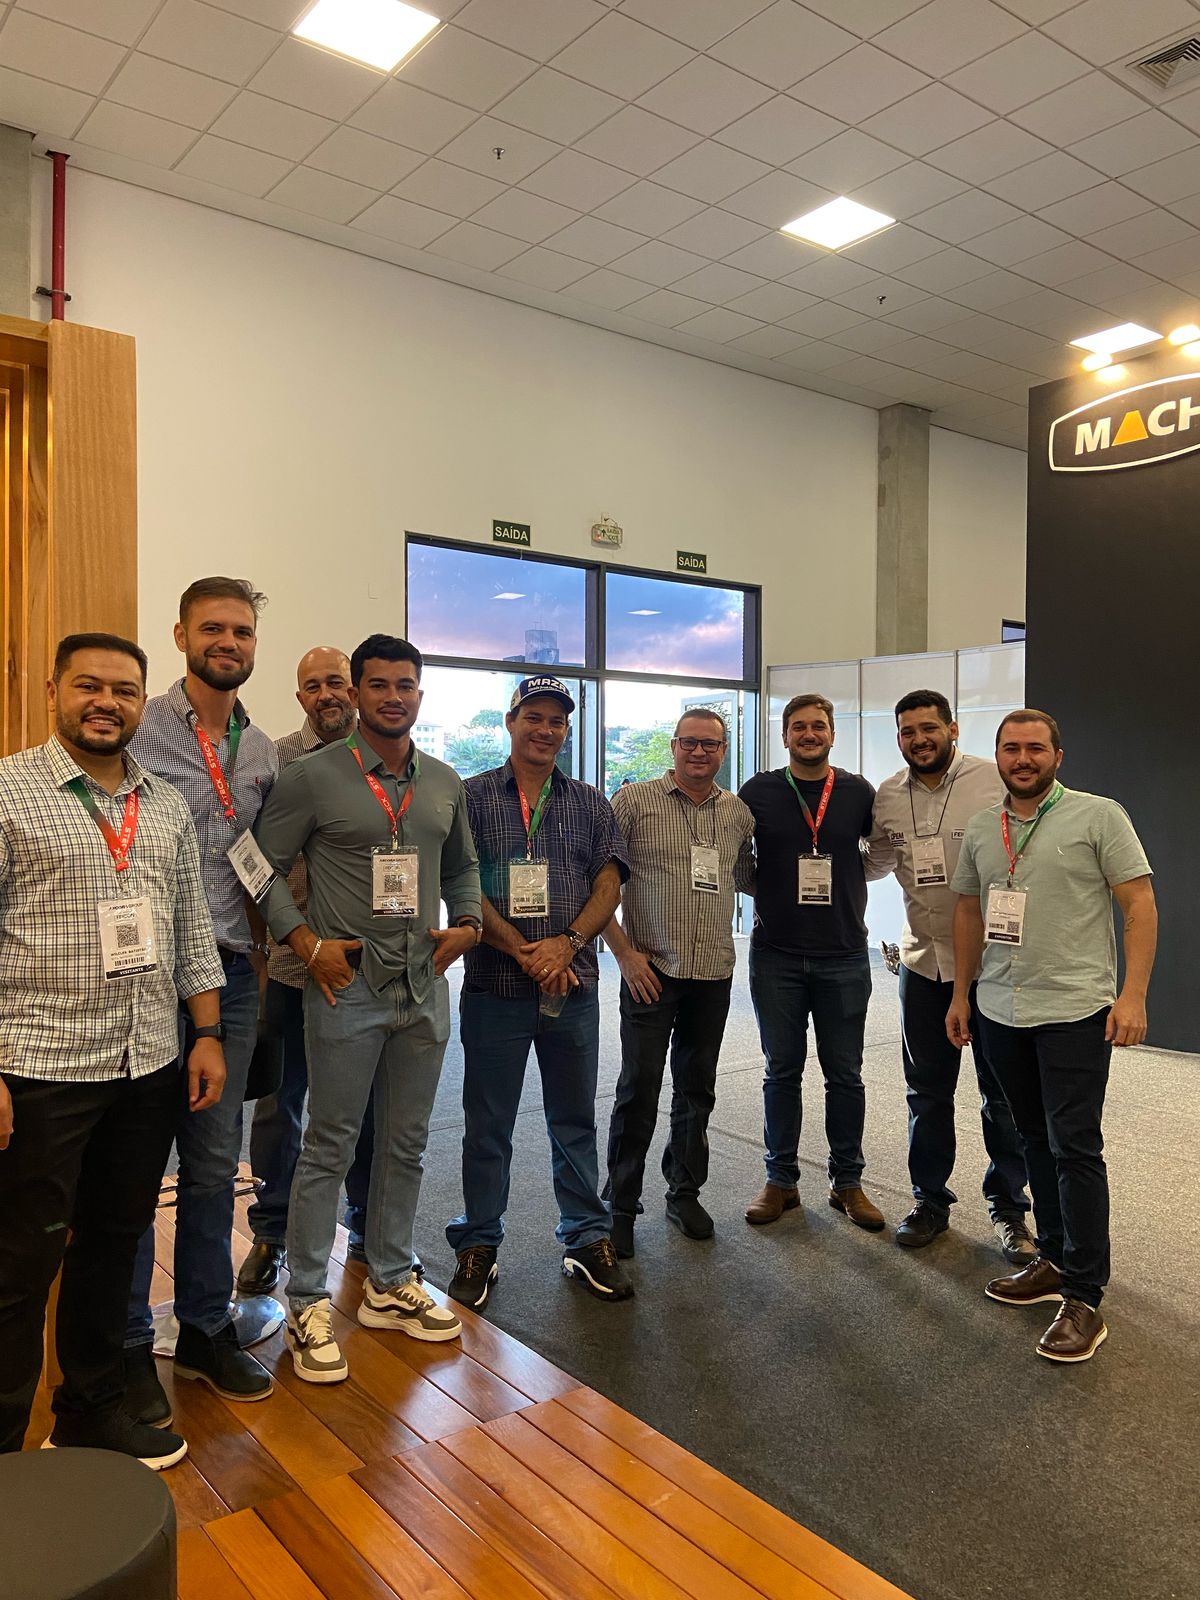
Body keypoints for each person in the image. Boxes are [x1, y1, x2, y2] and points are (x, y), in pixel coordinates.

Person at [0, 634, 226, 1469]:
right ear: (53, 691)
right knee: (19, 1264)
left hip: (146, 1064)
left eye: (124, 691)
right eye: (88, 686)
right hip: (40, 1068)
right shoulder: (7, 792)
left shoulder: (163, 804)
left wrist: (207, 1033)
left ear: (142, 703)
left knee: (113, 1243)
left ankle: (89, 1414)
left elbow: (191, 927)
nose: (106, 702)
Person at [255, 634, 479, 1383]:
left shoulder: (443, 782)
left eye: (404, 685)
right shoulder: (313, 777)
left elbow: (464, 866)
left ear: (420, 694)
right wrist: (304, 941)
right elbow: (257, 866)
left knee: (407, 1144)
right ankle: (307, 1300)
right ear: (355, 693)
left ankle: (388, 1278)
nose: (392, 697)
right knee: (330, 1145)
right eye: (377, 685)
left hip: (423, 990)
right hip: (346, 991)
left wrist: (469, 923)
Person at [947, 709, 1156, 1363]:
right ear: (998, 756)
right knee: (1031, 1138)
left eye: (1035, 748)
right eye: (1011, 748)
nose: (1022, 759)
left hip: (1073, 1011)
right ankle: (1056, 1259)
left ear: (1057, 756)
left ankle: (1085, 1296)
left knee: (1075, 1149)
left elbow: (1139, 905)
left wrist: (1133, 995)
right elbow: (970, 909)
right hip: (1000, 1008)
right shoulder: (983, 827)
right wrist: (961, 994)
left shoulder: (1099, 816)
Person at [124, 577, 278, 1419]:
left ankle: (206, 1330)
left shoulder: (261, 751)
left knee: (218, 1163)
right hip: (146, 976)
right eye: (213, 627)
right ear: (181, 634)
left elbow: (261, 865)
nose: (229, 642)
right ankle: (122, 1343)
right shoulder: (139, 726)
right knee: (136, 1161)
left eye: (242, 631)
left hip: (234, 977)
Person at [446, 675, 633, 1309]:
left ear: (566, 730)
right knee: (487, 1124)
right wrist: (524, 951)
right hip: (495, 986)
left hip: (572, 988)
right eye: (534, 717)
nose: (545, 730)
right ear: (511, 721)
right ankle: (479, 1241)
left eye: (556, 720)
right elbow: (460, 883)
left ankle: (585, 1237)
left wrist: (567, 944)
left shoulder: (589, 802)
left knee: (574, 1120)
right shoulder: (471, 797)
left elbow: (608, 884)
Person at [866, 691, 1033, 1260]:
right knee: (927, 1095)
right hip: (921, 963)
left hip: (993, 967)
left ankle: (1010, 1209)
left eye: (928, 728)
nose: (919, 739)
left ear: (952, 729)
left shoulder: (992, 782)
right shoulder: (889, 794)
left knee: (1002, 1096)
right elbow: (877, 860)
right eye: (908, 731)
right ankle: (930, 1201)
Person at [237, 646, 377, 1295]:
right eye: (313, 685)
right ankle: (272, 1230)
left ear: (355, 690)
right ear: (300, 698)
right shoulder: (275, 762)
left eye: (336, 683)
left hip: (364, 970)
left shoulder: (383, 761)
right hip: (294, 968)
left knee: (364, 1105)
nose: (327, 694)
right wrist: (267, 949)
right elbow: (252, 861)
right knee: (279, 1106)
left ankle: (368, 1225)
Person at [603, 709, 754, 1257]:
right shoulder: (633, 802)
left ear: (723, 750)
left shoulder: (737, 813)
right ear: (673, 746)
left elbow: (750, 878)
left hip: (712, 971)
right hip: (651, 971)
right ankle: (620, 1204)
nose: (699, 752)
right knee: (638, 1089)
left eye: (710, 744)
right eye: (689, 742)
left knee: (697, 1088)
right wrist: (624, 955)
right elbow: (600, 885)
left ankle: (684, 1192)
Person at [737, 693, 884, 1232]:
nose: (808, 734)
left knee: (845, 1074)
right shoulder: (758, 791)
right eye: (798, 726)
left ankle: (848, 1183)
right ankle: (781, 1181)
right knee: (781, 1071)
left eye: (818, 726)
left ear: (831, 734)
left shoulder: (857, 792)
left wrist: (847, 881)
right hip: (776, 954)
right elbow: (739, 859)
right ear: (784, 736)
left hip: (844, 953)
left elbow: (880, 852)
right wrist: (770, 892)